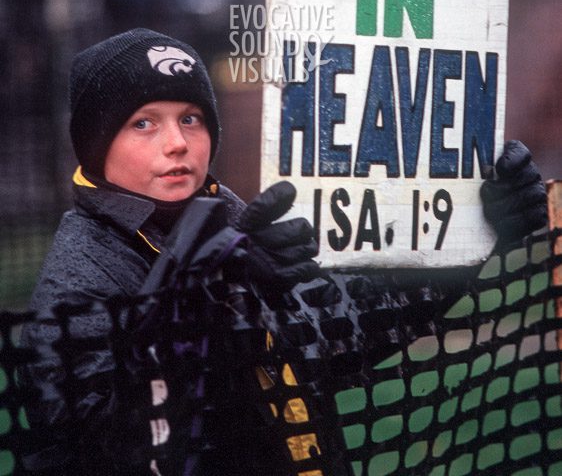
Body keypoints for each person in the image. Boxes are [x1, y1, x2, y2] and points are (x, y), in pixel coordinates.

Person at [19, 28, 548, 476]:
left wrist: (473, 235)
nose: (177, 142)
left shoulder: (234, 226)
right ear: (95, 145)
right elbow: (107, 444)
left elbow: (348, 320)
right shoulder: (78, 275)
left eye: (191, 118)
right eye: (144, 123)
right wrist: (212, 292)